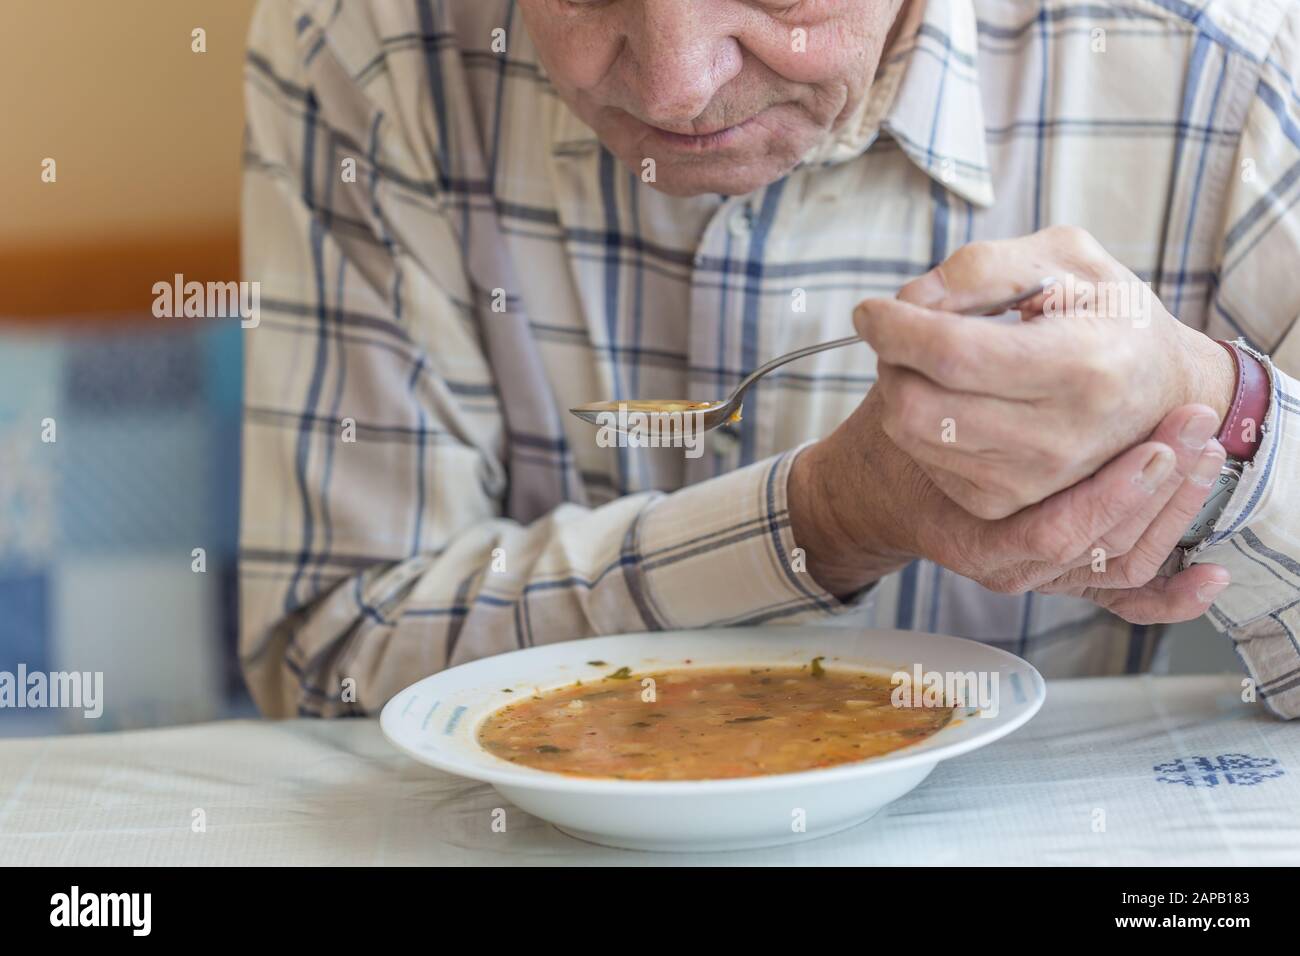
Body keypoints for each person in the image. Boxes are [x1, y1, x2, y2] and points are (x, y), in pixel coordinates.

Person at [238, 0, 1300, 719]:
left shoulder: (1224, 60)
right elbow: (328, 661)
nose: (674, 88)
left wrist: (1220, 406)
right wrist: (823, 519)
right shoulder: (373, 42)